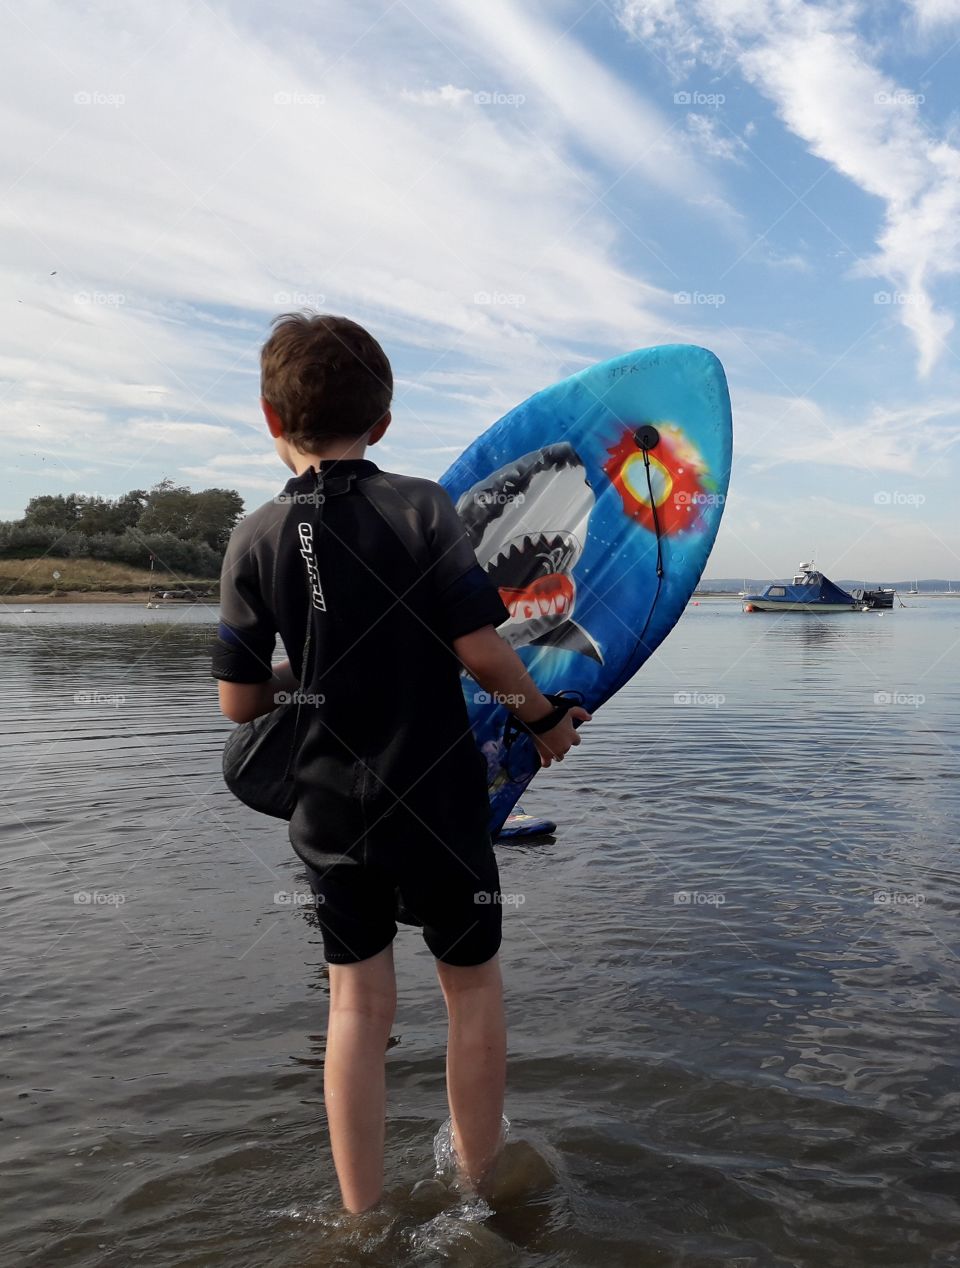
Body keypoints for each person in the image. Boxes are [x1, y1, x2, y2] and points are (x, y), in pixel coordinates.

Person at [212, 313, 590, 1213]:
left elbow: (238, 703)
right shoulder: (422, 508)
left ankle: (359, 1216)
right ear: (382, 421)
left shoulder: (254, 535)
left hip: (327, 811)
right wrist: (542, 720)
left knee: (354, 1008)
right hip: (437, 799)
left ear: (270, 418)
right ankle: (481, 1191)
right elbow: (482, 651)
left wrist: (310, 668)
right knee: (472, 991)